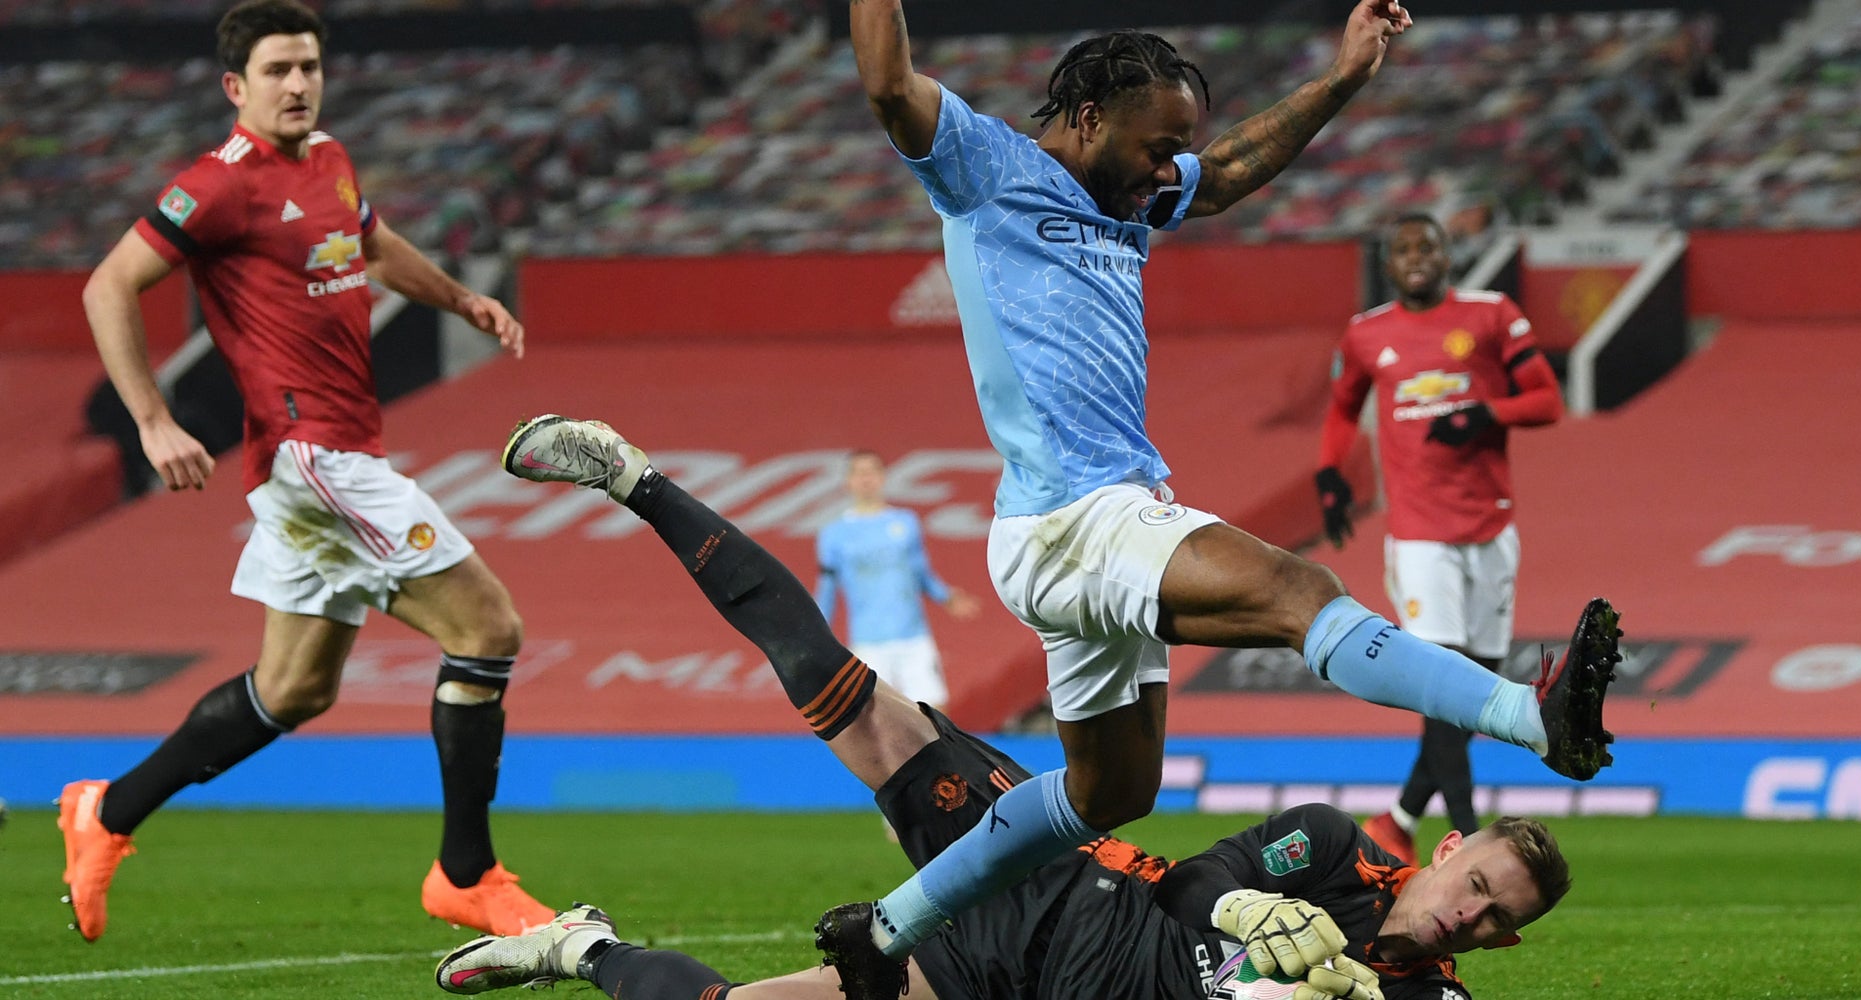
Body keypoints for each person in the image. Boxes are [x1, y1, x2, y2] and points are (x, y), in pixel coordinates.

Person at [810, 3, 1622, 994]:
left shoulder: (1135, 194)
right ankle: (1534, 721)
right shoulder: (984, 166)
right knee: (1294, 589)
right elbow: (890, 84)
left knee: (1112, 792)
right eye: (1157, 148)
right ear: (1084, 113)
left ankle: (889, 927)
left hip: (1069, 529)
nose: (1168, 173)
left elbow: (1230, 171)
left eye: (1174, 151)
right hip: (1076, 516)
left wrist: (1343, 77)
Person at [436, 413, 1578, 1000]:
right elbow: (1195, 884)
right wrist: (1246, 919)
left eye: (1488, 920)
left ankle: (576, 946)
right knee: (826, 680)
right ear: (1443, 851)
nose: (1462, 918)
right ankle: (635, 478)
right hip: (1042, 883)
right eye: (1472, 884)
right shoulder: (1329, 848)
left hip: (1001, 985)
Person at [60, 0, 551, 942]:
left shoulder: (326, 159)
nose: (297, 84)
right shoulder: (218, 186)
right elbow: (107, 285)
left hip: (338, 453)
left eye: (309, 67)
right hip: (312, 456)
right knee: (488, 627)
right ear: (235, 87)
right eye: (278, 70)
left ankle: (108, 811)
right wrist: (153, 421)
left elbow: (369, 245)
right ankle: (466, 872)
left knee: (292, 691)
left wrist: (458, 298)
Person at [1316, 214, 1565, 866]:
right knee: (1441, 683)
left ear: (1447, 256)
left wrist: (1487, 413)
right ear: (1389, 266)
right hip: (1420, 536)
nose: (1416, 257)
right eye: (1403, 249)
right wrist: (1330, 476)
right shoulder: (1368, 332)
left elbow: (1546, 400)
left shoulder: (1490, 315)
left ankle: (1399, 818)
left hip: (1491, 528)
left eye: (1427, 245)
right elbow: (1343, 407)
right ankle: (1468, 833)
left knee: (1474, 692)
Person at [816, 449, 979, 711]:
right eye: (859, 473)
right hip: (868, 641)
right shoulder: (833, 534)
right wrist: (817, 633)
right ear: (848, 481)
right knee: (876, 717)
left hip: (913, 637)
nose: (866, 479)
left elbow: (920, 572)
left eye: (871, 472)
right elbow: (827, 589)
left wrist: (945, 596)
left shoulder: (905, 522)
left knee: (935, 714)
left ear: (882, 477)